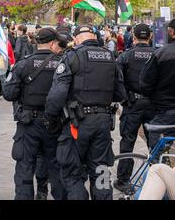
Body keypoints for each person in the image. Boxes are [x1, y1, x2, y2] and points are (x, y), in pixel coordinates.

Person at [45, 24, 126, 200]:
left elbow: (57, 95)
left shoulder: (72, 56)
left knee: (72, 172)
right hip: (103, 124)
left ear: (75, 39)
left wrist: (50, 118)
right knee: (101, 171)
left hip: (77, 124)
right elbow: (121, 94)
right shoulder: (109, 56)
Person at [2, 27, 66, 200]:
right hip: (55, 124)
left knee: (24, 167)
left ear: (37, 42)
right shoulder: (63, 64)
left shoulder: (24, 63)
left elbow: (8, 94)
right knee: (56, 166)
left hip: (28, 123)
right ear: (53, 43)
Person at [114, 24, 155, 191]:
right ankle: (158, 177)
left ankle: (123, 180)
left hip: (132, 104)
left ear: (134, 37)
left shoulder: (126, 56)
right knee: (156, 143)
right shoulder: (157, 55)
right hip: (152, 104)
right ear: (150, 37)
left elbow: (117, 80)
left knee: (128, 142)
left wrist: (124, 98)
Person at [140, 17, 175, 148]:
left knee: (157, 146)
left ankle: (158, 163)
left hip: (165, 109)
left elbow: (145, 83)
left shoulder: (160, 53)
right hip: (167, 108)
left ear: (172, 32)